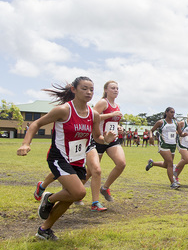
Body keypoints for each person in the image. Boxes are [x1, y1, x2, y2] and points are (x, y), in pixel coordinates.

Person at [17, 76, 116, 240]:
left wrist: (106, 139)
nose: (89, 92)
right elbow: (36, 124)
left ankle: (44, 230)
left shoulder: (94, 114)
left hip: (78, 160)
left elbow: (97, 137)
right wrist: (25, 144)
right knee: (78, 192)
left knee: (71, 196)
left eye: (91, 89)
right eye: (84, 88)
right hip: (59, 158)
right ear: (73, 90)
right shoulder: (63, 110)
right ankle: (49, 199)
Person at [91, 80, 127, 203]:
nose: (116, 90)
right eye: (113, 88)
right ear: (106, 90)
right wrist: (111, 114)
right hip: (99, 139)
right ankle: (75, 192)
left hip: (112, 140)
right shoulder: (103, 102)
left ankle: (105, 187)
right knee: (91, 171)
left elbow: (113, 123)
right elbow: (92, 116)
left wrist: (119, 127)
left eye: (117, 88)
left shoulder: (117, 106)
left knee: (121, 163)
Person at [146, 107, 180, 189]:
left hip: (173, 145)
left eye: (174, 112)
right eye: (171, 112)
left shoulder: (176, 123)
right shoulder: (161, 122)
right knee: (170, 164)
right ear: (166, 112)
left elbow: (180, 133)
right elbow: (151, 130)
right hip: (164, 145)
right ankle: (173, 183)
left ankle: (152, 163)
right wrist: (151, 137)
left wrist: (185, 134)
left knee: (167, 164)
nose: (173, 114)